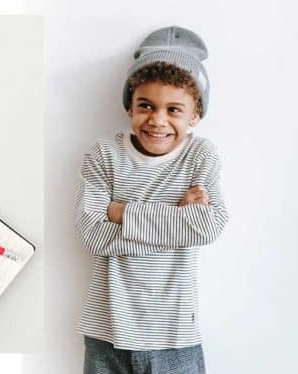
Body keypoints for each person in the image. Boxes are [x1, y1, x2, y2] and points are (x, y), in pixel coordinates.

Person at [74, 26, 229, 374]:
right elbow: (91, 234)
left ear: (195, 115)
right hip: (107, 330)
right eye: (146, 105)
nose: (157, 120)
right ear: (130, 106)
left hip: (175, 334)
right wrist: (177, 220)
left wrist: (120, 211)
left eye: (174, 110)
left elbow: (209, 226)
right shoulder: (105, 154)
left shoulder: (200, 155)